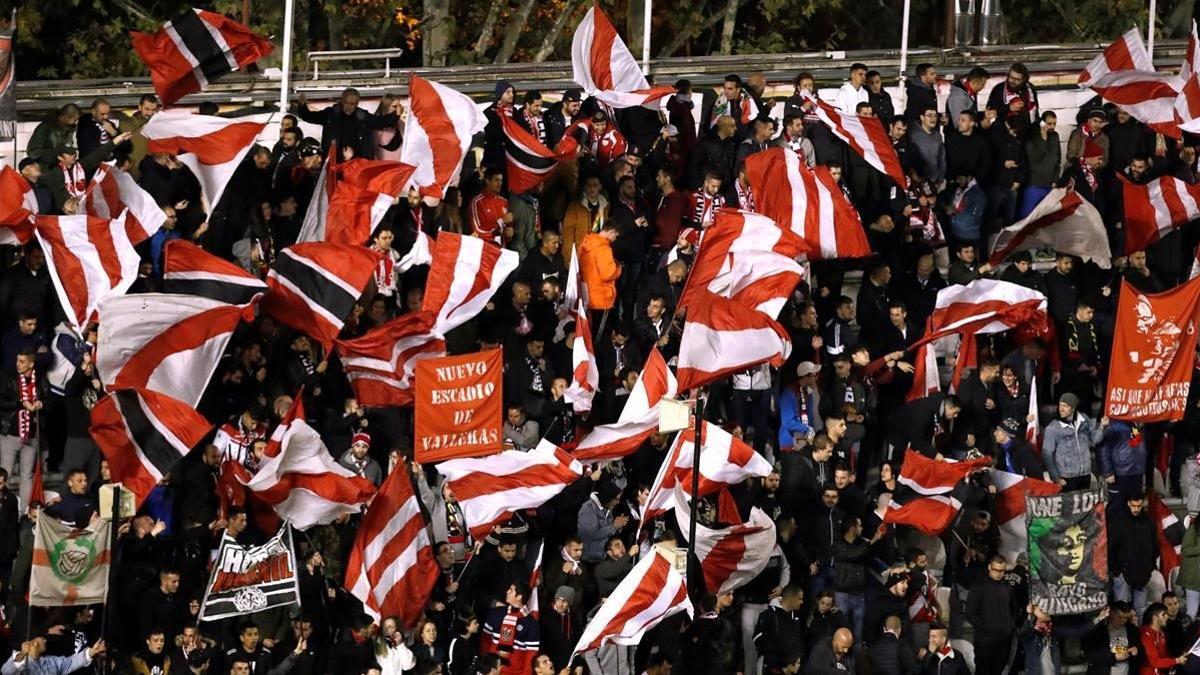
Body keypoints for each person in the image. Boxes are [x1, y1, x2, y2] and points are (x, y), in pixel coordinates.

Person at [294, 88, 400, 159]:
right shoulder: (330, 114)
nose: (348, 107)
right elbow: (309, 116)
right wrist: (302, 106)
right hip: (334, 163)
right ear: (342, 101)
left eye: (352, 104)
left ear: (357, 103)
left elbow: (381, 122)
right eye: (346, 103)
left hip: (357, 164)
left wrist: (396, 114)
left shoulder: (363, 117)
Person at [965, 556, 1019, 675]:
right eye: (996, 570)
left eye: (1002, 571)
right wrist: (984, 627)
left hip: (1004, 638)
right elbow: (970, 612)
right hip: (984, 639)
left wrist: (1010, 626)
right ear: (989, 567)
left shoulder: (1007, 587)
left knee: (999, 670)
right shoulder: (978, 586)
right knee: (983, 671)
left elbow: (1013, 609)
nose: (999, 574)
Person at [1042, 392, 1106, 490]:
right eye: (1060, 405)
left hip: (1084, 474)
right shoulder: (1053, 428)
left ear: (1073, 408)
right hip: (1066, 477)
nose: (1061, 409)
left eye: (1065, 406)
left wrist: (1102, 426)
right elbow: (1047, 455)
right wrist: (1056, 478)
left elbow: (1095, 439)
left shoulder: (1083, 420)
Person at [1140, 603, 1188, 674]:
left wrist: (1175, 662)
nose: (1167, 617)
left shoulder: (1162, 633)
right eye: (1163, 614)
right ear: (1155, 617)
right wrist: (1176, 660)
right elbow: (1154, 662)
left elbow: (1165, 656)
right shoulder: (1146, 635)